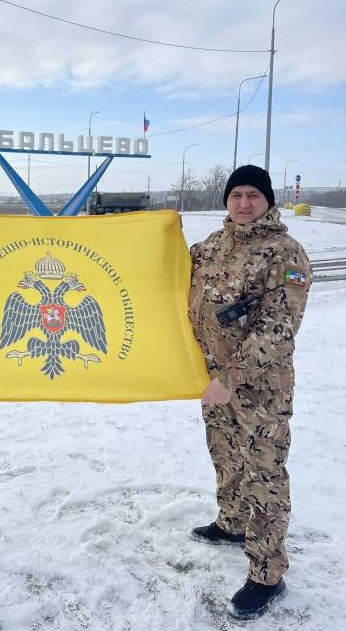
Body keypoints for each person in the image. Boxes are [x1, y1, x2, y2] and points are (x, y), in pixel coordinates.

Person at [188, 165, 312, 623]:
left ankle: (266, 573)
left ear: (268, 201)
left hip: (260, 390)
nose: (243, 202)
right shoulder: (209, 248)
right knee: (225, 456)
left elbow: (277, 330)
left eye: (252, 195)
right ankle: (233, 522)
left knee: (263, 475)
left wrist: (231, 377)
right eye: (236, 194)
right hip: (214, 384)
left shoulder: (285, 253)